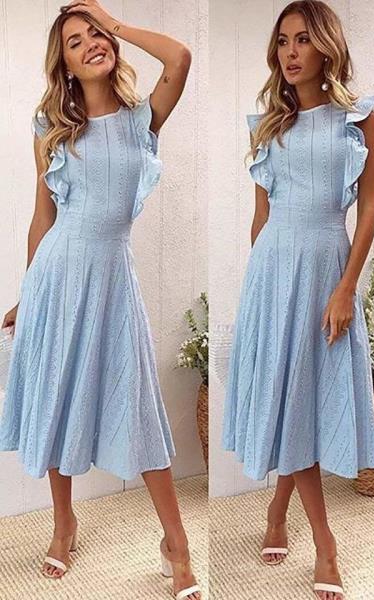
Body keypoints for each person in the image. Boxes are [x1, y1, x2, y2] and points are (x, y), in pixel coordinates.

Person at [0, 2, 201, 598]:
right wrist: (27, 294)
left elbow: (179, 58)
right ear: (63, 64)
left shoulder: (142, 120)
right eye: (74, 41)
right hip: (57, 278)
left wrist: (113, 23)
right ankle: (63, 523)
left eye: (96, 34)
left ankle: (177, 543)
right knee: (57, 395)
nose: (91, 42)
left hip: (114, 279)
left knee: (139, 405)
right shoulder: (51, 128)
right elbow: (42, 218)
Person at [221, 1, 374, 598]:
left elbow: (369, 207)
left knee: (307, 399)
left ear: (326, 47)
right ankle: (325, 543)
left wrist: (347, 288)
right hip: (273, 274)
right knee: (290, 399)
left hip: (326, 268)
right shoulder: (269, 124)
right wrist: (259, 292)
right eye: (283, 41)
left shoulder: (358, 117)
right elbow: (259, 218)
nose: (291, 52)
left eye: (303, 40)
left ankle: (277, 512)